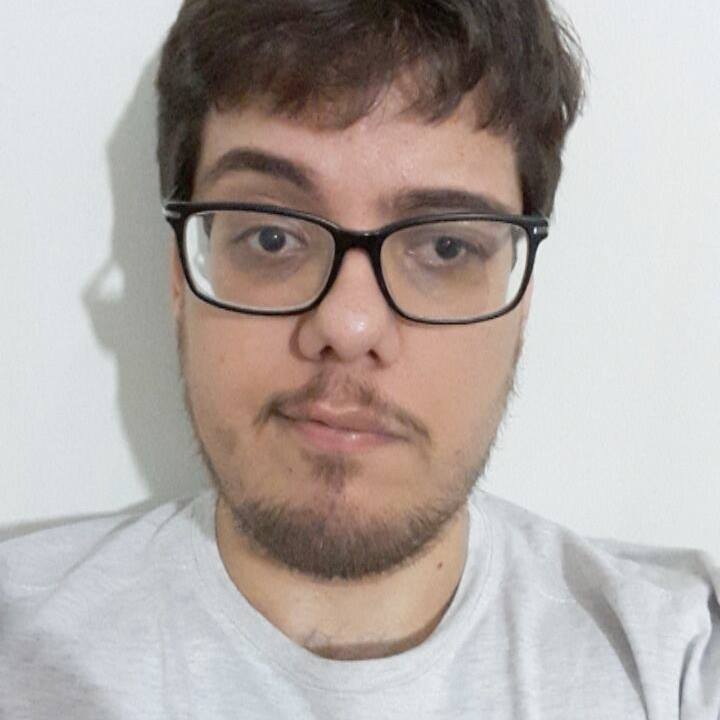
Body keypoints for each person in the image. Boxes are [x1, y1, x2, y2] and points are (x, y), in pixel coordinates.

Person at [1, 0, 718, 717]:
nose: (348, 325)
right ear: (179, 279)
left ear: (520, 298)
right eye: (272, 237)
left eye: (445, 246)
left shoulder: (674, 662)